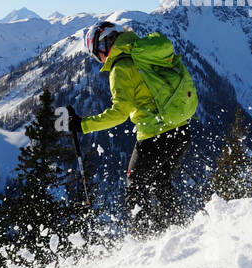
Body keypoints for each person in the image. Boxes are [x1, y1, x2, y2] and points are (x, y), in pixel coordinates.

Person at [67, 22, 196, 234]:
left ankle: (144, 241)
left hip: (155, 136)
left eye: (96, 54)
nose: (98, 59)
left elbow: (119, 114)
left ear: (104, 46)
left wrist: (83, 125)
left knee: (135, 189)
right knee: (160, 183)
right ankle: (179, 231)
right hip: (181, 130)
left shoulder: (120, 68)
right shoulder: (143, 52)